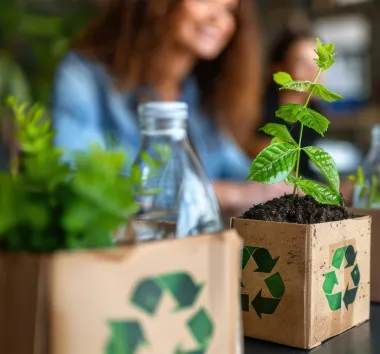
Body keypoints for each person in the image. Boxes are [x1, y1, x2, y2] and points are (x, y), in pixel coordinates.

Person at [51, 0, 292, 214]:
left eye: (229, 10)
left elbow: (240, 171)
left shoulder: (195, 94)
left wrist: (299, 189)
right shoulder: (83, 77)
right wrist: (228, 194)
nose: (219, 19)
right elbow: (76, 181)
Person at [248, 30, 320, 179]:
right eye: (302, 63)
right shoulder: (257, 110)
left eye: (318, 63)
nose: (314, 72)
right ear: (278, 68)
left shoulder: (313, 112)